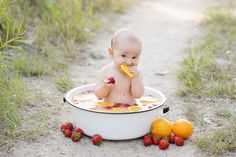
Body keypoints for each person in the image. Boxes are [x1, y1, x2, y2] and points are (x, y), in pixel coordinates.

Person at [95, 28, 144, 104]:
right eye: (124, 56)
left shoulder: (136, 75)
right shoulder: (106, 71)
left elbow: (138, 95)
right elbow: (98, 95)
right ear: (111, 53)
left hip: (130, 110)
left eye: (134, 57)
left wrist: (135, 79)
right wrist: (105, 88)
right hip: (109, 109)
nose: (129, 62)